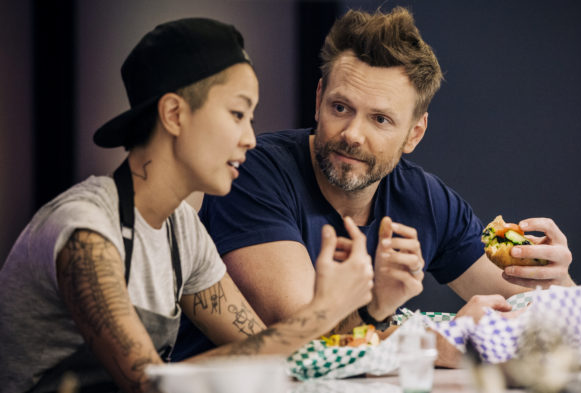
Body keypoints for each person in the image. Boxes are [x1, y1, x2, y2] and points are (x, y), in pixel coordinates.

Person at [173, 7, 575, 361]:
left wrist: (553, 282)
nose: (352, 134)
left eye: (380, 119)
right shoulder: (255, 171)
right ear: (319, 99)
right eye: (340, 107)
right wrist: (437, 340)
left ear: (415, 134)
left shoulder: (426, 199)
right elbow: (303, 333)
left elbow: (536, 313)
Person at [0, 18, 377, 393]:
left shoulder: (182, 230)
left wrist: (353, 311)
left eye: (251, 118)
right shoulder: (85, 231)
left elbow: (266, 353)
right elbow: (147, 383)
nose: (250, 139)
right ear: (174, 114)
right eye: (237, 114)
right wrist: (318, 314)